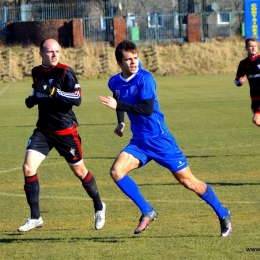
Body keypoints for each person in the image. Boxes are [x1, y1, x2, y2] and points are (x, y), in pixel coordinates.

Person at [98, 39, 232, 237]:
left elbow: (146, 109)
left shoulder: (146, 79)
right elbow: (118, 98)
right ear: (119, 63)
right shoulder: (114, 82)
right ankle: (147, 210)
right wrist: (121, 122)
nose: (134, 62)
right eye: (128, 60)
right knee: (116, 171)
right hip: (139, 142)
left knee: (188, 182)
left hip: (160, 140)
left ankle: (223, 213)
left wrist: (118, 107)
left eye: (136, 58)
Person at [18, 38, 106, 232]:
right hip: (43, 130)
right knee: (28, 167)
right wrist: (33, 99)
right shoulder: (36, 72)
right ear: (41, 53)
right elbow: (41, 93)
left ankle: (99, 206)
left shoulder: (66, 72)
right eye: (50, 52)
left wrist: (52, 91)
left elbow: (77, 99)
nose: (55, 55)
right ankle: (35, 217)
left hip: (65, 131)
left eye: (57, 51)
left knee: (80, 171)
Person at [234, 37, 260, 126]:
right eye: (251, 46)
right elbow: (236, 80)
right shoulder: (243, 63)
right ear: (246, 48)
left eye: (255, 46)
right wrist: (240, 81)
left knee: (256, 119)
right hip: (254, 96)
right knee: (257, 121)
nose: (253, 48)